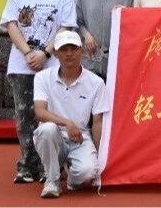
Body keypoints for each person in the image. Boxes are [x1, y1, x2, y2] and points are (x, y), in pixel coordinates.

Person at [3, 0, 77, 184]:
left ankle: (50, 165)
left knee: (51, 115)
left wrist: (45, 53)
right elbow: (11, 24)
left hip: (52, 64)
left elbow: (65, 26)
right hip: (21, 65)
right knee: (24, 115)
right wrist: (28, 53)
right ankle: (27, 164)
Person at [31, 30, 109, 198]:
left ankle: (73, 178)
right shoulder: (42, 78)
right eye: (64, 49)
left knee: (88, 172)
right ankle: (52, 180)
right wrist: (67, 123)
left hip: (80, 137)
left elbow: (97, 122)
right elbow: (39, 112)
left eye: (73, 49)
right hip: (54, 136)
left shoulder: (96, 82)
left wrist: (99, 156)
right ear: (55, 53)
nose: (69, 54)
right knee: (47, 129)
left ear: (82, 51)